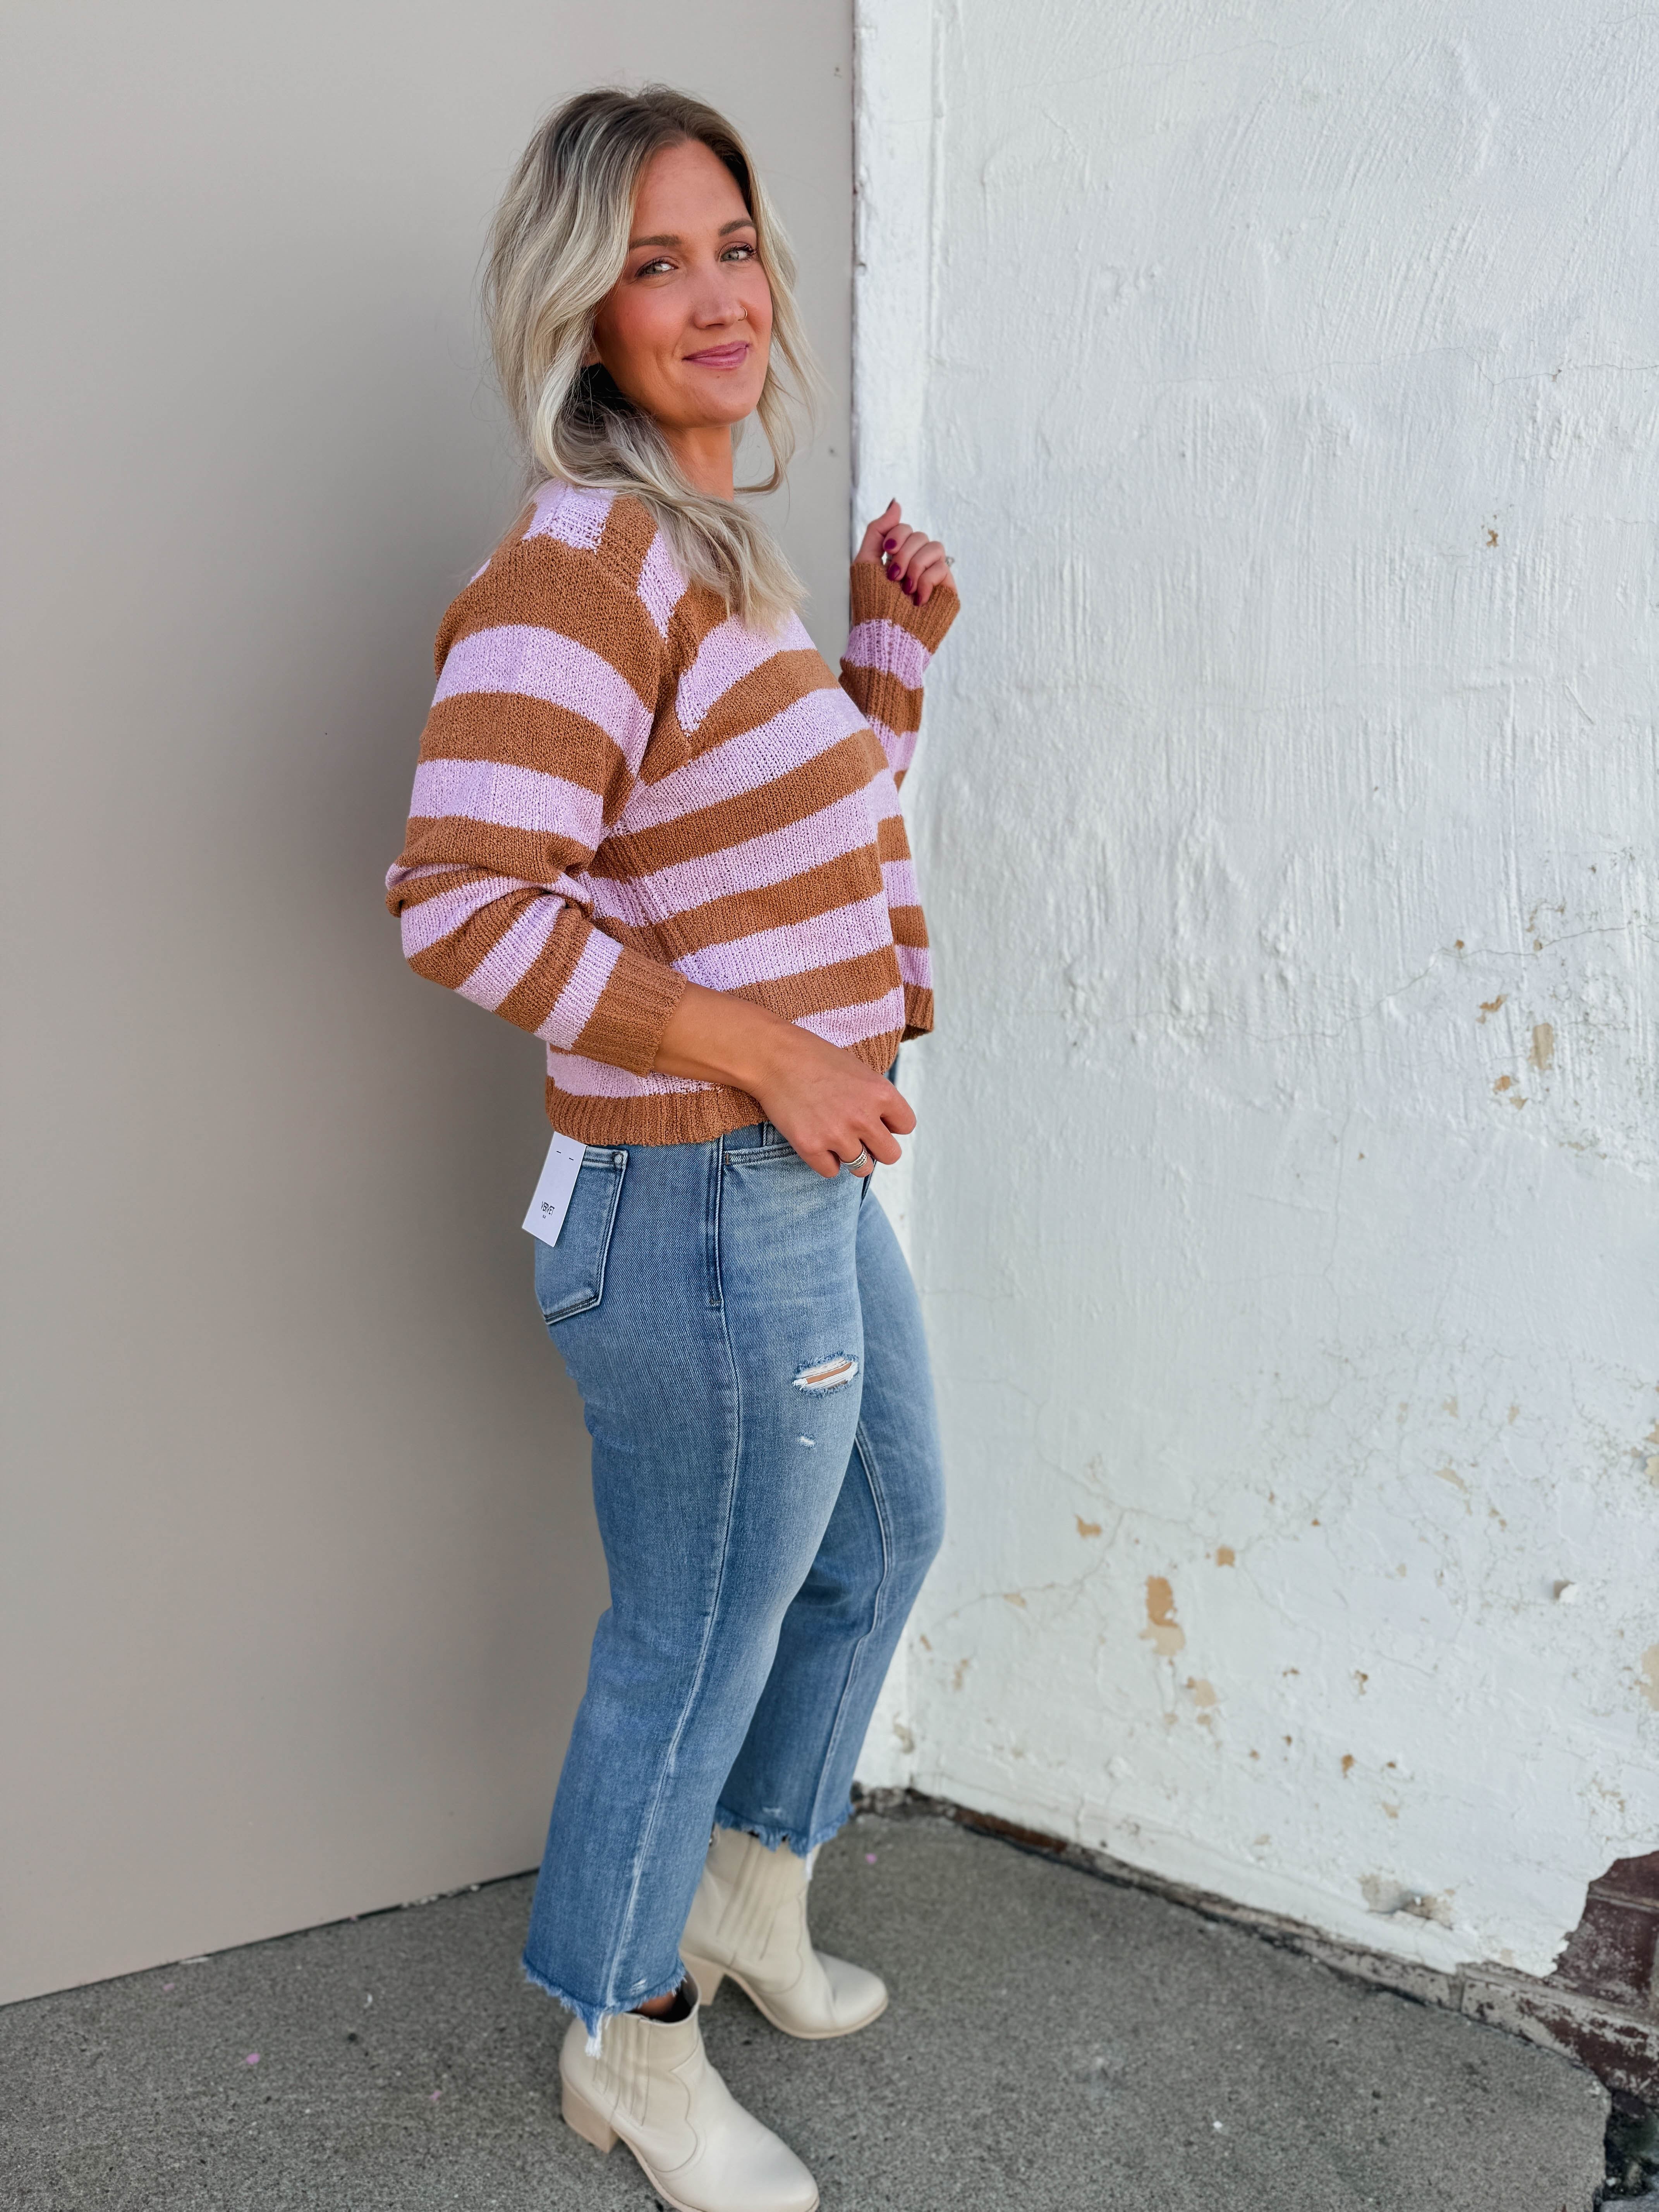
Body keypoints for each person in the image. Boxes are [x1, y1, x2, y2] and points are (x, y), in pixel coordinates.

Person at [385, 84, 959, 2212]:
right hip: (695, 1203)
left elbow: (766, 853)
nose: (717, 297)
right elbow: (459, 896)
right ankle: (626, 2044)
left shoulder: (723, 560)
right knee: (693, 1640)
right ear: (583, 317)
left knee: (885, 1533)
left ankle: (747, 1896)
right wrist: (764, 1057)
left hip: (792, 1184)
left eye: (733, 249)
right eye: (655, 264)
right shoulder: (583, 561)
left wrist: (886, 664)